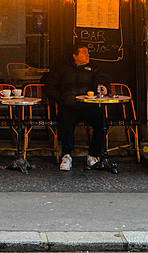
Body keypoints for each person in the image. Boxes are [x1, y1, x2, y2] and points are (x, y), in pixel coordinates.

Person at [42, 42, 108, 171]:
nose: (88, 54)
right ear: (75, 56)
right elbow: (49, 87)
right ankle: (66, 155)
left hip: (88, 105)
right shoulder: (61, 68)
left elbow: (101, 80)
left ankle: (93, 155)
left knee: (102, 121)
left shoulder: (93, 68)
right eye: (84, 52)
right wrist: (62, 97)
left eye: (87, 52)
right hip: (69, 105)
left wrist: (103, 87)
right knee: (66, 122)